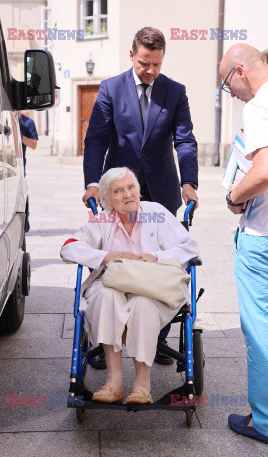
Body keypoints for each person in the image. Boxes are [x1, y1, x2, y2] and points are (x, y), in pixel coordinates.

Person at [82, 26, 199, 365]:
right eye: (145, 63)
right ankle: (109, 339)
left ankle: (154, 336)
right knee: (115, 254)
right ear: (132, 55)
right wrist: (92, 182)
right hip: (120, 187)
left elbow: (186, 140)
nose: (150, 70)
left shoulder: (175, 92)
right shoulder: (110, 89)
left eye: (157, 65)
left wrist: (189, 181)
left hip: (161, 189)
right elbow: (96, 140)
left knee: (157, 257)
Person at [61, 167, 199, 404]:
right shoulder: (103, 219)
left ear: (138, 190)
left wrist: (155, 257)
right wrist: (106, 256)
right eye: (118, 191)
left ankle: (142, 385)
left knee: (143, 303)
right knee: (106, 296)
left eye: (131, 187)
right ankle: (114, 383)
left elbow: (189, 247)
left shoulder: (156, 213)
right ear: (107, 201)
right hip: (112, 285)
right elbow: (69, 247)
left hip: (152, 287)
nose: (127, 194)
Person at [220, 43, 268, 445]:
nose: (228, 92)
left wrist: (234, 196)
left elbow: (265, 171)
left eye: (226, 83)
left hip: (266, 236)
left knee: (262, 332)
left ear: (240, 71)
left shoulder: (260, 106)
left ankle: (265, 423)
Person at [18, 111, 38, 232]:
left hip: (19, 164)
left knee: (21, 192)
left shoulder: (28, 122)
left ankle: (25, 220)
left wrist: (19, 136)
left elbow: (34, 145)